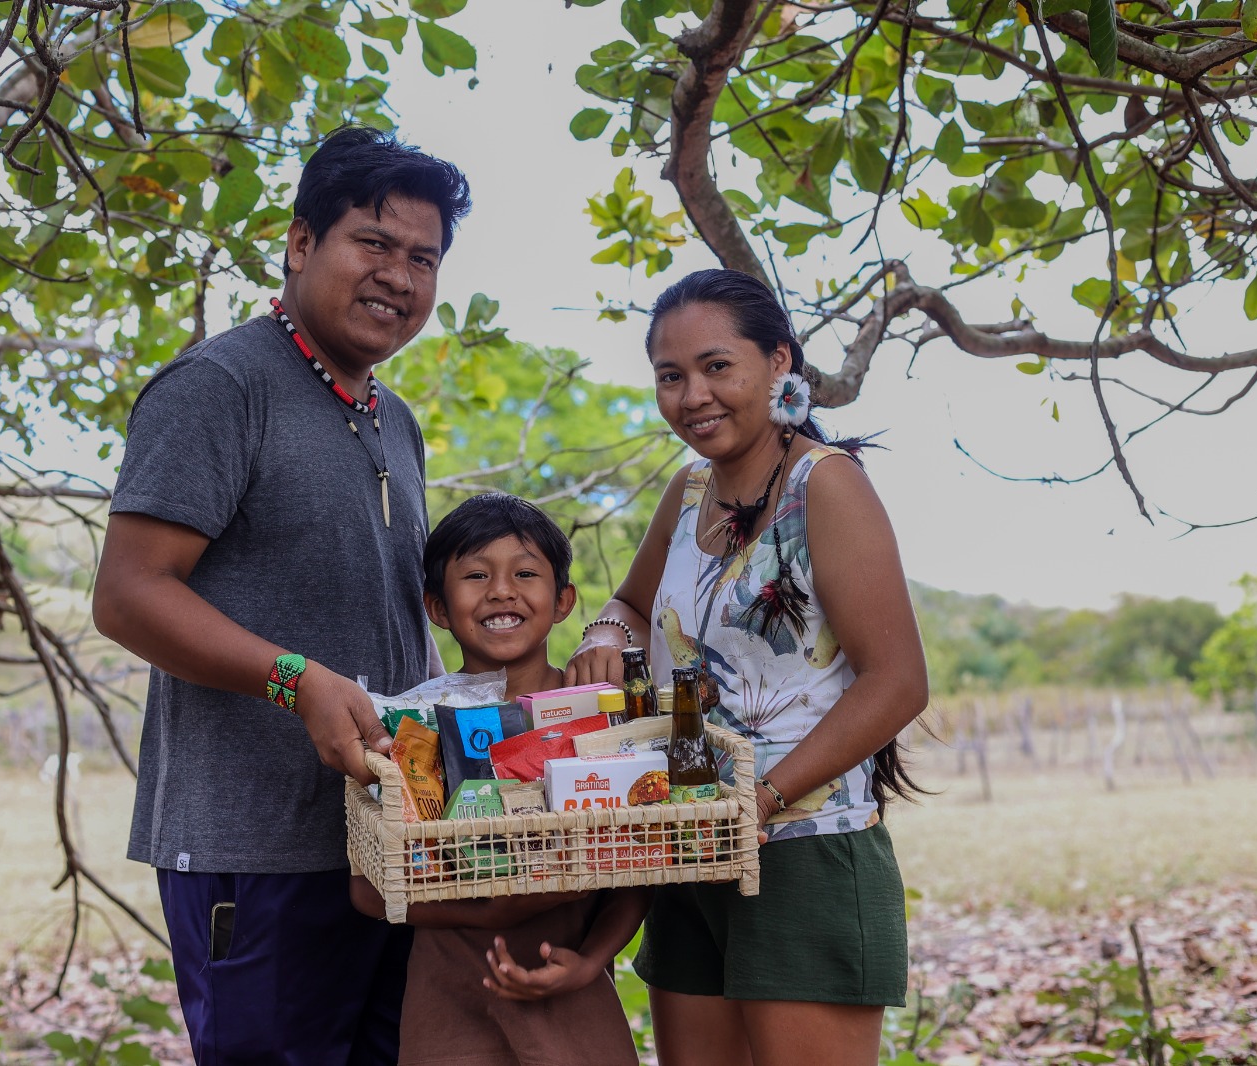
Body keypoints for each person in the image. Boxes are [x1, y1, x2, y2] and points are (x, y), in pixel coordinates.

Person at [92, 126, 471, 1065]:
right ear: (301, 244)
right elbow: (129, 595)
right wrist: (294, 679)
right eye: (373, 244)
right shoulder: (219, 385)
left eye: (422, 258)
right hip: (255, 852)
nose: (399, 276)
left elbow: (390, 623)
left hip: (387, 847)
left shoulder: (395, 418)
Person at [565, 269, 929, 1066]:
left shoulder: (825, 489)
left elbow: (898, 682)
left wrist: (760, 800)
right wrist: (601, 631)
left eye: (716, 366)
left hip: (800, 847)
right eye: (671, 375)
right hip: (687, 842)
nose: (693, 394)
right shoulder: (687, 491)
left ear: (778, 363)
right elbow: (627, 604)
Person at [351, 493, 647, 1066]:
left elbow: (644, 860)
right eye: (476, 575)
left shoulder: (596, 713)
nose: (502, 591)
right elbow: (365, 890)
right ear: (436, 607)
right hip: (449, 997)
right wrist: (485, 913)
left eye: (526, 573)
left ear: (563, 601)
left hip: (570, 981)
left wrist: (593, 960)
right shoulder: (408, 726)